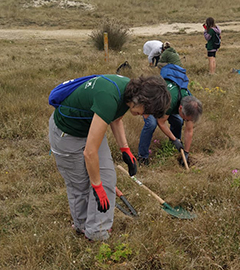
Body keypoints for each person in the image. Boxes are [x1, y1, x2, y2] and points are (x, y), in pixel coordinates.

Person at [49, 75, 170, 241]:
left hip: (90, 128)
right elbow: (90, 152)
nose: (146, 116)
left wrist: (125, 149)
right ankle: (82, 226)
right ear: (139, 99)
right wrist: (96, 186)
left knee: (107, 177)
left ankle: (97, 233)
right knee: (81, 185)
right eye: (146, 111)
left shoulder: (128, 94)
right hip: (67, 133)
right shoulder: (109, 96)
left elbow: (116, 119)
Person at [137, 80, 202, 166]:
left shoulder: (191, 105)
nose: (186, 120)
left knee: (178, 121)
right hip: (150, 101)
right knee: (151, 124)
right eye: (186, 119)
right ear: (180, 108)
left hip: (165, 105)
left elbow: (189, 130)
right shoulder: (170, 102)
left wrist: (186, 152)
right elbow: (161, 122)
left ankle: (174, 148)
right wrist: (174, 139)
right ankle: (142, 156)